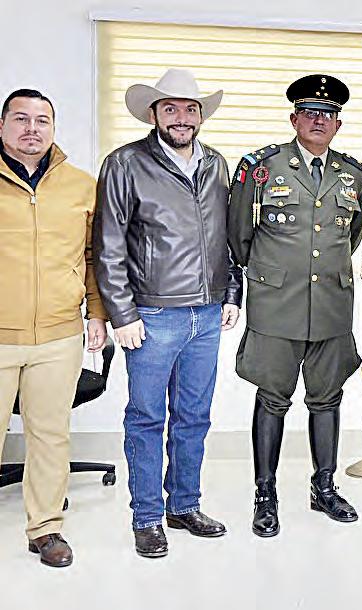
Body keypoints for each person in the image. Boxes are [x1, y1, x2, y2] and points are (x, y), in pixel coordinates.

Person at [94, 69, 241, 557]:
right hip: (152, 315)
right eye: (171, 108)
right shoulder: (125, 163)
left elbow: (227, 237)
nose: (182, 117)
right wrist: (122, 314)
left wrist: (231, 292)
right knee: (146, 418)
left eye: (190, 109)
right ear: (153, 114)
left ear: (201, 116)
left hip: (208, 313)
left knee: (194, 417)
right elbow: (108, 244)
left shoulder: (216, 164)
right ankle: (147, 518)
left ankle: (184, 505)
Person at [227, 74, 362, 536]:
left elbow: (350, 237)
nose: (318, 120)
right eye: (309, 112)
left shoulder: (354, 175)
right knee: (272, 398)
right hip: (276, 305)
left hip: (331, 305)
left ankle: (323, 487)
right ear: (293, 119)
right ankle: (265, 494)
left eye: (327, 115)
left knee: (327, 398)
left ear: (338, 124)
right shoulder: (260, 168)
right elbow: (239, 237)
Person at [0, 89, 108, 568]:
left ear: (53, 128)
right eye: (21, 119)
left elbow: (92, 257)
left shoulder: (81, 186)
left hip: (59, 337)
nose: (32, 128)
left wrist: (97, 312)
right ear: (2, 125)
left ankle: (45, 529)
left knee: (50, 436)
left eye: (42, 120)